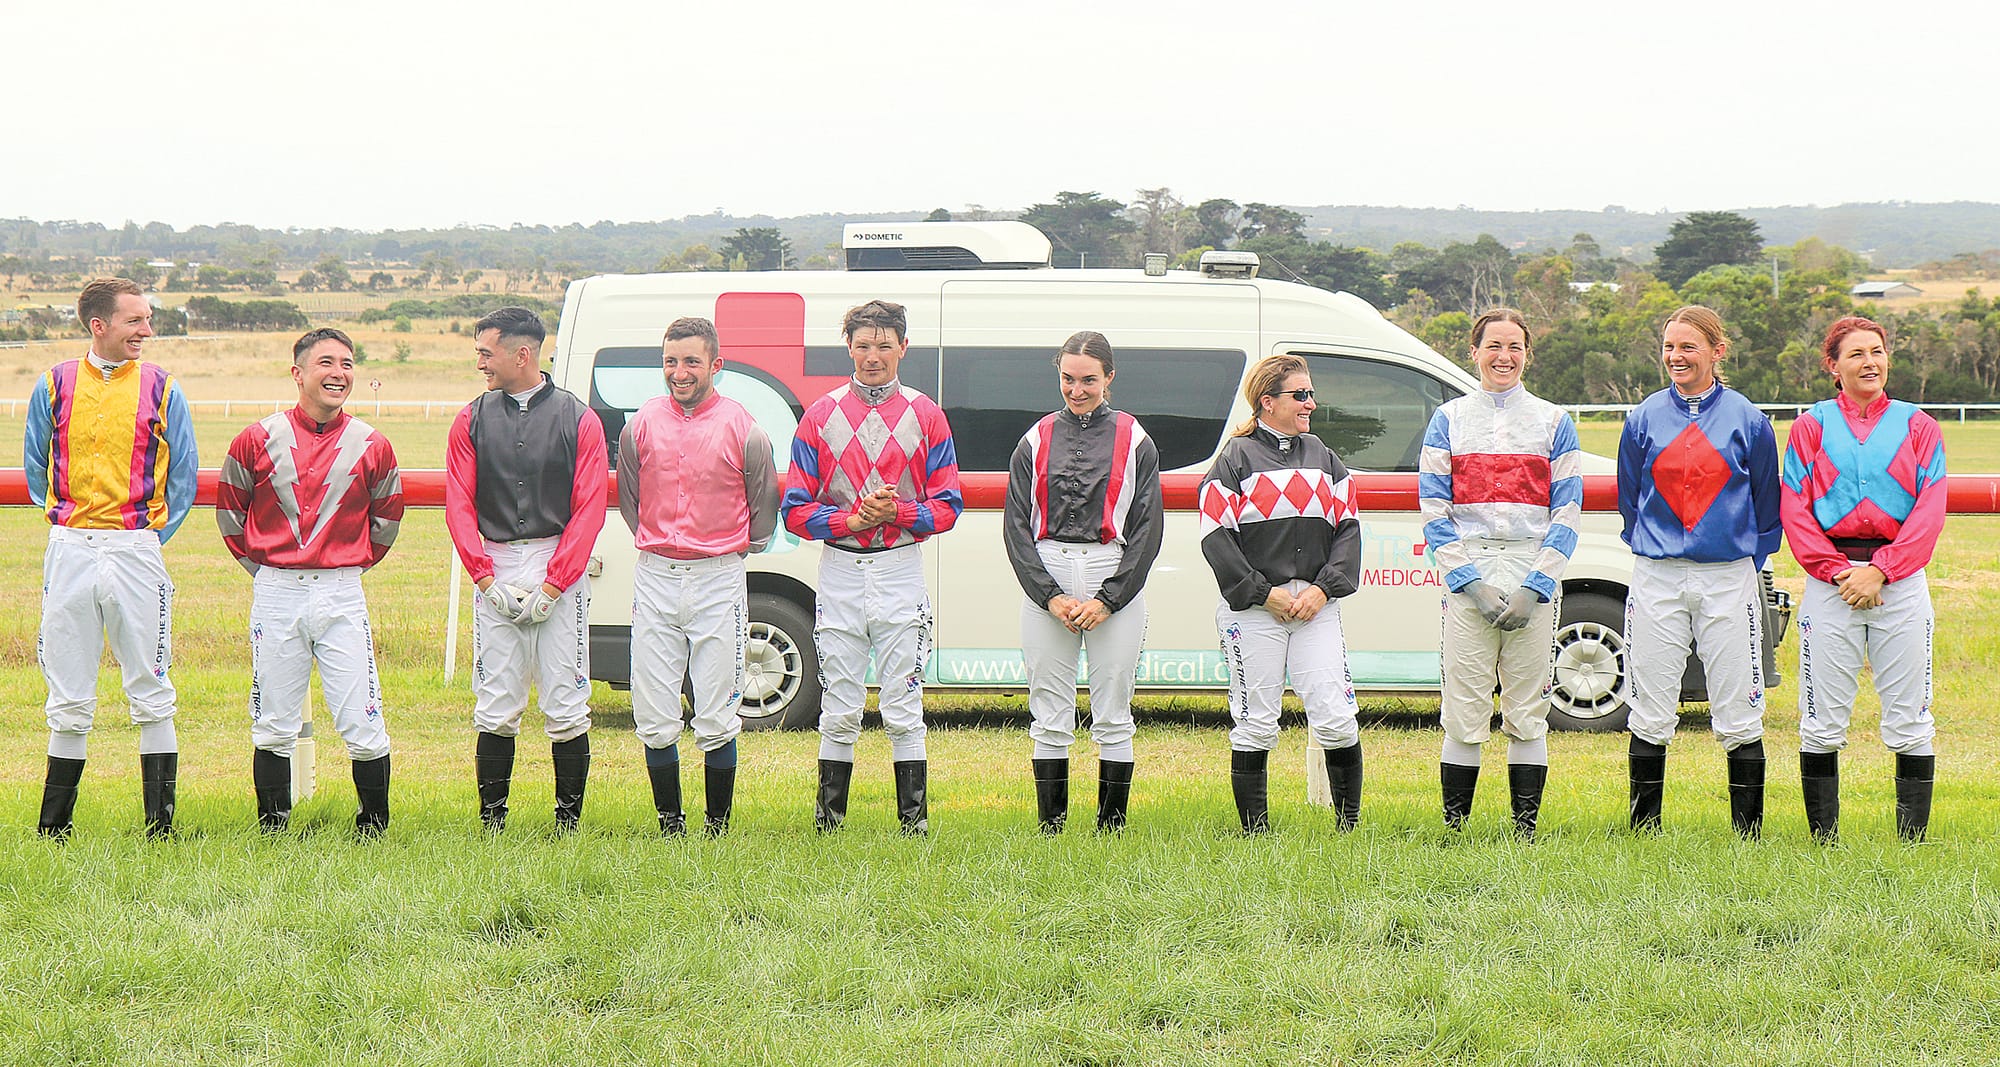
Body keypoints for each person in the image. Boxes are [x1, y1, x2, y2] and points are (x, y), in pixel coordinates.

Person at [25, 278, 198, 839]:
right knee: (69, 686)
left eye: (148, 320)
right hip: (71, 547)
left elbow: (185, 478)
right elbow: (35, 467)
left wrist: (144, 539)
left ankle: (160, 828)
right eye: (135, 321)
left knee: (151, 683)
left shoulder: (163, 387)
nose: (147, 331)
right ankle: (54, 828)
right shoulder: (54, 384)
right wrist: (70, 525)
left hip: (135, 549)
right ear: (99, 325)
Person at [782, 300, 962, 835]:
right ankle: (829, 823)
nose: (874, 356)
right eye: (864, 345)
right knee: (839, 699)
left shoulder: (927, 414)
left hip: (900, 567)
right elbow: (795, 508)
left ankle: (914, 824)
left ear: (904, 347)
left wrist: (898, 512)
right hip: (840, 567)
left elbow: (948, 505)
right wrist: (852, 519)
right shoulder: (819, 415)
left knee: (904, 700)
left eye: (885, 345)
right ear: (849, 348)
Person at [216, 327, 404, 836]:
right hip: (276, 590)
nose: (338, 373)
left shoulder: (372, 443)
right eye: (325, 363)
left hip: (342, 591)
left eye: (346, 363)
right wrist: (270, 570)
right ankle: (274, 827)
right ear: (297, 373)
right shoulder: (256, 438)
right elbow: (230, 514)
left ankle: (374, 828)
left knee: (363, 721)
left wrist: (347, 566)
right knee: (274, 720)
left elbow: (386, 521)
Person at [1616, 305, 1781, 837]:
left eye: (1688, 346)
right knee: (1650, 704)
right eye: (1669, 347)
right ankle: (1645, 829)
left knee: (1738, 704)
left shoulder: (1749, 420)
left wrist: (1732, 560)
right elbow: (1629, 500)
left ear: (1717, 351)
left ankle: (1747, 833)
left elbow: (1766, 507)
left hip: (1728, 576)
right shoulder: (1643, 417)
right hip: (1657, 576)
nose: (1676, 357)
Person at [1781, 316, 1946, 842]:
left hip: (1900, 584)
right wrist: (1838, 572)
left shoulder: (1919, 426)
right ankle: (1823, 843)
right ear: (1833, 366)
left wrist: (1882, 571)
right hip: (1832, 586)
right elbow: (1795, 510)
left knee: (1910, 718)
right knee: (1822, 720)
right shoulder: (1811, 427)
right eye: (1855, 354)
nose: (1869, 362)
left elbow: (1929, 511)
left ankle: (1910, 842)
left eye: (1876, 352)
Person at [1418, 309, 1582, 838]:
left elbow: (1568, 513)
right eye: (1493, 346)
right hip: (1472, 568)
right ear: (1474, 352)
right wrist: (1470, 582)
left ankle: (1525, 830)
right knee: (1464, 703)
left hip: (1532, 561)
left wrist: (1537, 586)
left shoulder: (1556, 422)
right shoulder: (1448, 419)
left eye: (1514, 346)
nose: (1503, 356)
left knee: (1527, 704)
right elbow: (1434, 511)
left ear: (1527, 354)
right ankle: (1454, 829)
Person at [445, 307, 607, 833]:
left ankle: (568, 824)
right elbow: (459, 504)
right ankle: (492, 821)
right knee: (496, 701)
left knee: (566, 699)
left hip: (558, 555)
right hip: (494, 560)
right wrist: (484, 577)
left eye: (485, 354)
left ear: (522, 353)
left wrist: (557, 582)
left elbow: (588, 507)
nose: (480, 365)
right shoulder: (469, 419)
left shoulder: (579, 418)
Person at [618, 316, 778, 836]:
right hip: (656, 575)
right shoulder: (640, 423)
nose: (679, 372)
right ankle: (670, 823)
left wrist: (723, 554)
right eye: (670, 361)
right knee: (654, 707)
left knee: (717, 707)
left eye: (691, 361)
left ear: (715, 365)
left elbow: (762, 513)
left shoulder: (743, 427)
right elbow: (631, 502)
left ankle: (716, 826)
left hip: (718, 577)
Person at [1002, 331, 1164, 834]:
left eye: (1088, 380)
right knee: (1049, 709)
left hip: (1109, 567)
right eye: (1068, 379)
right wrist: (1048, 595)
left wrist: (1110, 599)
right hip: (1048, 569)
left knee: (1113, 707)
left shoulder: (1136, 439)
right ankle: (1051, 827)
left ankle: (1110, 828)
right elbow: (1015, 526)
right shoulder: (1034, 438)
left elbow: (1147, 528)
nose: (1076, 390)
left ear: (1109, 378)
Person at [1198, 354, 1363, 833]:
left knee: (1335, 717)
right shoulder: (1234, 459)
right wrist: (1260, 593)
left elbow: (1349, 531)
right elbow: (1215, 537)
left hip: (1316, 605)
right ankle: (1255, 833)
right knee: (1256, 723)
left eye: (1311, 393)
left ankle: (1348, 828)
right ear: (1267, 402)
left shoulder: (1324, 456)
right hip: (1254, 609)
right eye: (1300, 395)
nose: (1311, 403)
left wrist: (1322, 589)